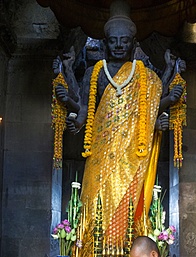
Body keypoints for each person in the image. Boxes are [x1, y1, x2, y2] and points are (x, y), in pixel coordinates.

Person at [53, 0, 185, 243]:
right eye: (113, 40)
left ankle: (128, 246)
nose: (118, 45)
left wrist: (167, 97)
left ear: (133, 44)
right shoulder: (96, 72)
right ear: (105, 43)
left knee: (128, 195)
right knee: (96, 197)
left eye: (124, 41)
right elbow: (85, 111)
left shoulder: (143, 74)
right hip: (101, 150)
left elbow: (148, 108)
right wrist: (73, 114)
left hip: (130, 152)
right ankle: (93, 247)